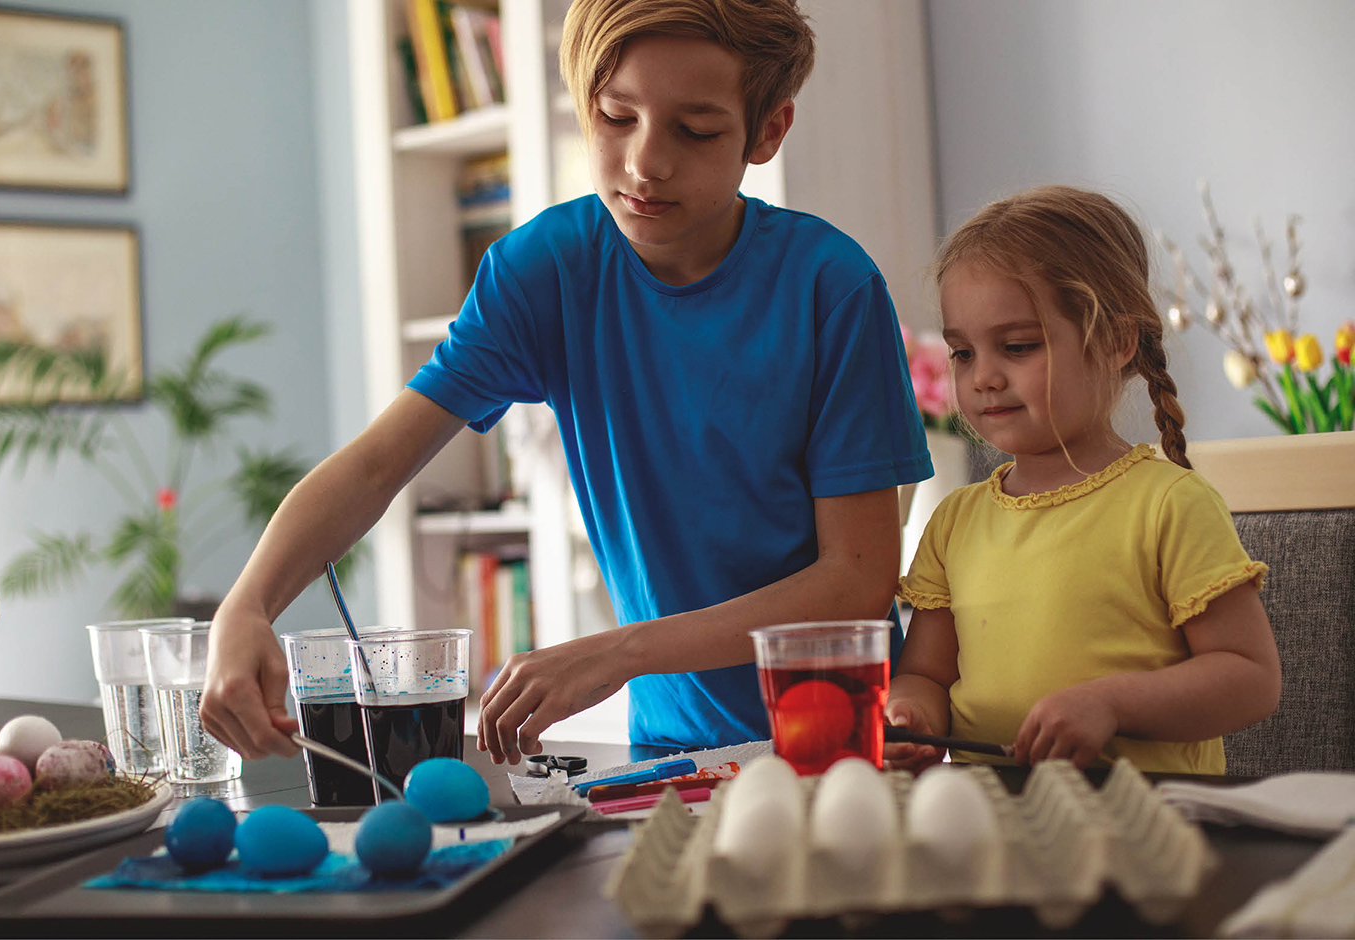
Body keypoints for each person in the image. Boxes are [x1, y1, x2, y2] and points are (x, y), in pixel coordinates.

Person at [200, 0, 932, 766]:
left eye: (697, 130)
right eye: (617, 117)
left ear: (768, 131)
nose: (646, 163)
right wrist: (246, 606)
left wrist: (619, 653)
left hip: (843, 740)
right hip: (669, 755)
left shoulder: (830, 286)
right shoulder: (544, 272)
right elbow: (381, 463)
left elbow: (855, 578)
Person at [885, 185, 1282, 775]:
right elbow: (927, 675)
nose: (983, 377)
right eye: (963, 352)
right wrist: (911, 716)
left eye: (1016, 346)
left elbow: (1250, 679)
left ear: (1117, 343)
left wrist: (1110, 704)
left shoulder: (1168, 504)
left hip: (1147, 824)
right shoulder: (955, 520)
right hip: (994, 820)